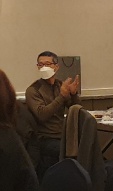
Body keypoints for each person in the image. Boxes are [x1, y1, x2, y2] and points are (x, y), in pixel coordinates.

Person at [24, 51, 80, 179]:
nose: (44, 67)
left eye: (48, 64)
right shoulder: (33, 90)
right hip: (44, 138)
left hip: (62, 135)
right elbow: (42, 115)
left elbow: (74, 108)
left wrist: (73, 94)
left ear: (56, 66)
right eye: (41, 64)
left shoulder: (60, 85)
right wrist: (61, 97)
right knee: (68, 153)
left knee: (86, 148)